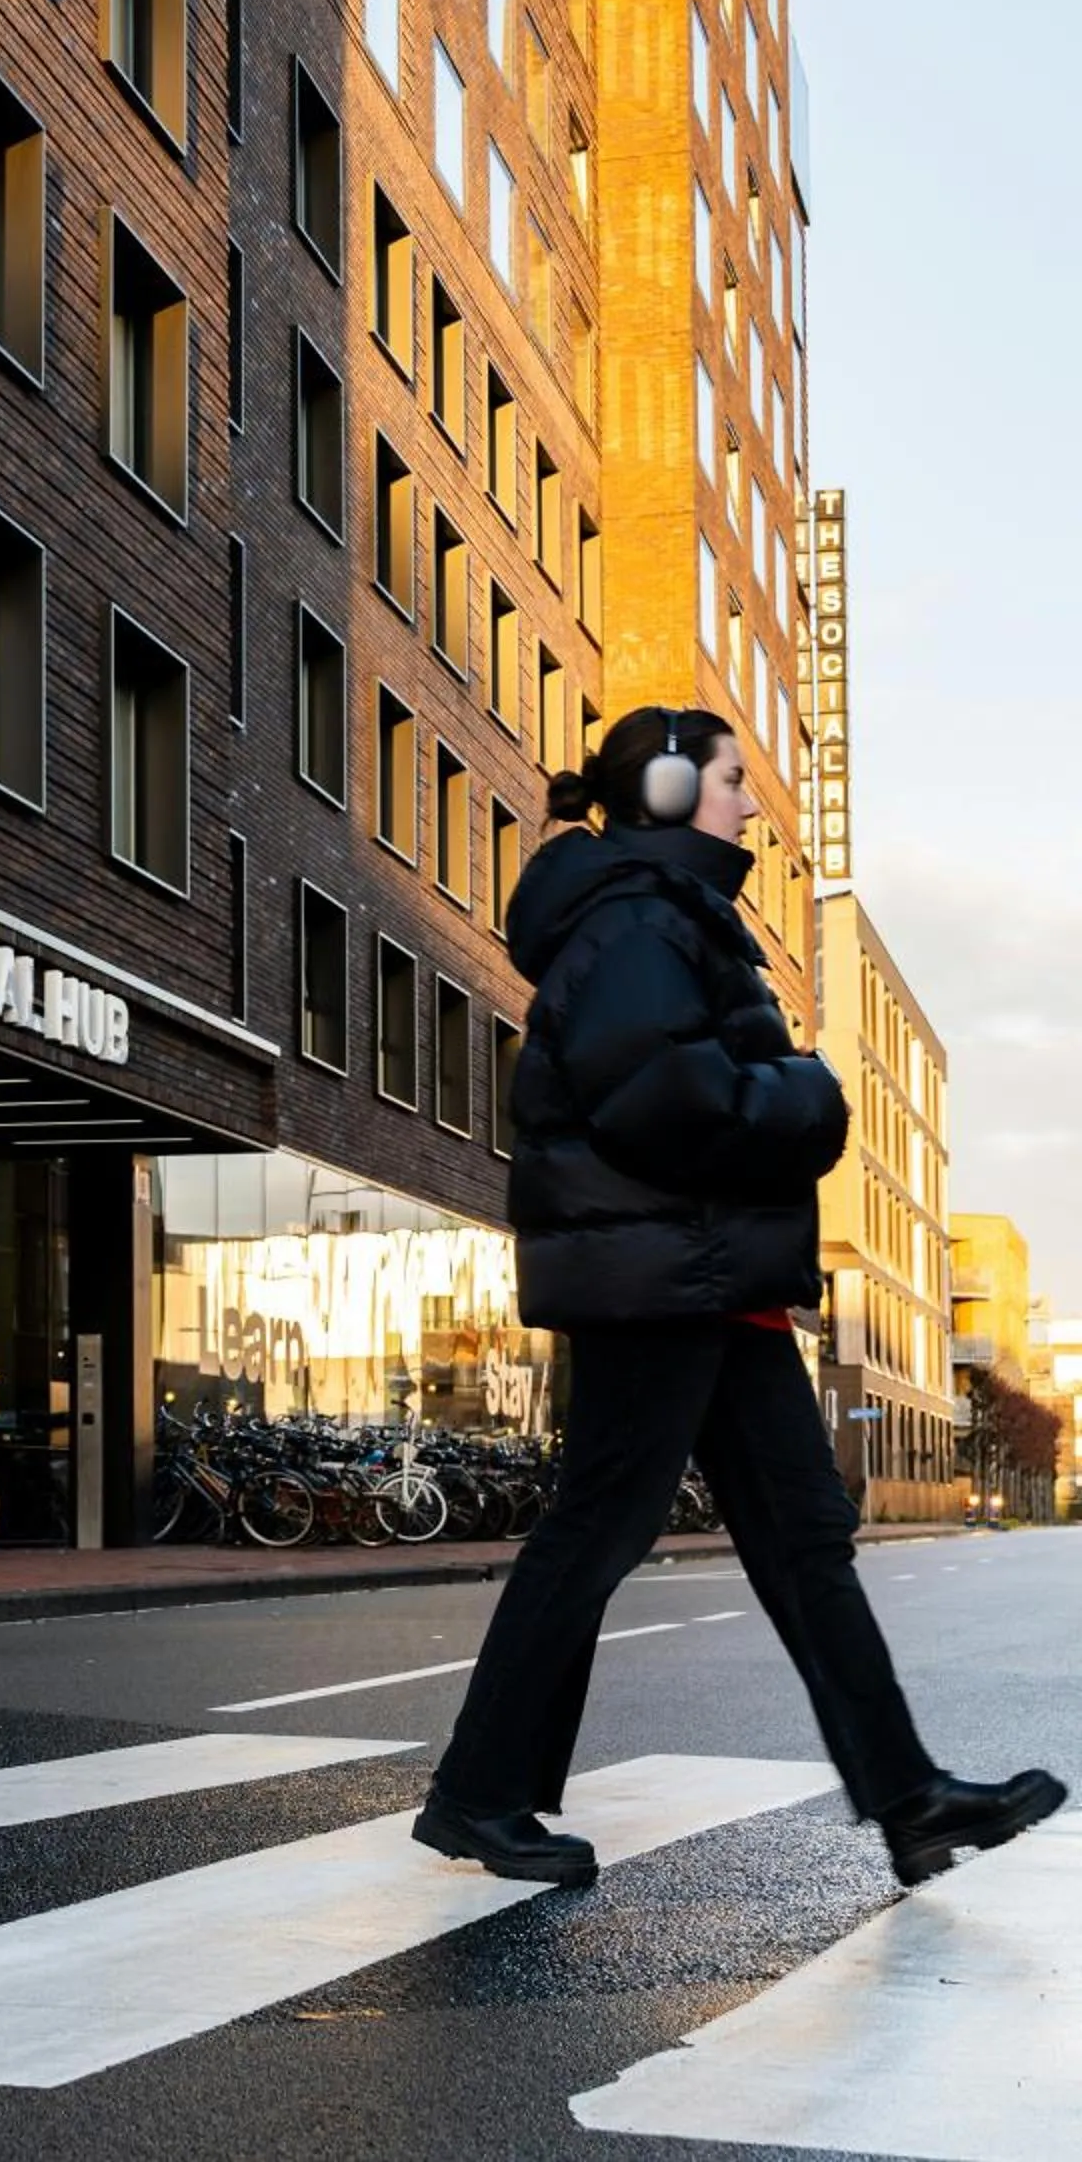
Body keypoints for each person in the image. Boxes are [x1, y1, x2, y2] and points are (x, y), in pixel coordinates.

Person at [412, 705, 1066, 1893]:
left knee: (806, 1538)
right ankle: (475, 1794)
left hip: (715, 1286)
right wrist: (808, 1098)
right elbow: (662, 1095)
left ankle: (906, 1801)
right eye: (728, 778)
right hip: (655, 1284)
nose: (748, 803)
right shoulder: (630, 923)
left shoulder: (670, 917)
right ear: (664, 794)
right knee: (598, 1532)